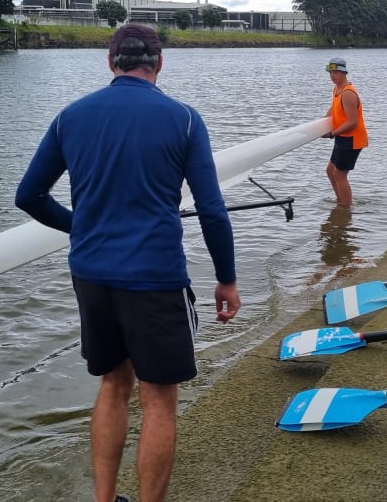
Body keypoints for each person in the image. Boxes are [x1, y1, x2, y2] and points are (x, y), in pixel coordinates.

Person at [14, 25, 240, 502]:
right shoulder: (182, 118)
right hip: (155, 276)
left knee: (113, 383)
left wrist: (82, 227)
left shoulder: (70, 116)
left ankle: (103, 499)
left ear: (110, 61)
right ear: (159, 63)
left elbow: (29, 196)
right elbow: (212, 209)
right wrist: (226, 279)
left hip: (92, 274)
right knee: (158, 398)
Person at [323, 57, 368, 207]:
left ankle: (345, 208)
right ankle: (341, 201)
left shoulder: (348, 93)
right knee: (330, 171)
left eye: (335, 72)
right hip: (342, 136)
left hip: (352, 139)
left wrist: (331, 133)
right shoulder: (337, 89)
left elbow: (352, 122)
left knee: (339, 174)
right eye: (330, 73)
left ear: (344, 72)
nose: (332, 76)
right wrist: (322, 124)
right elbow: (333, 109)